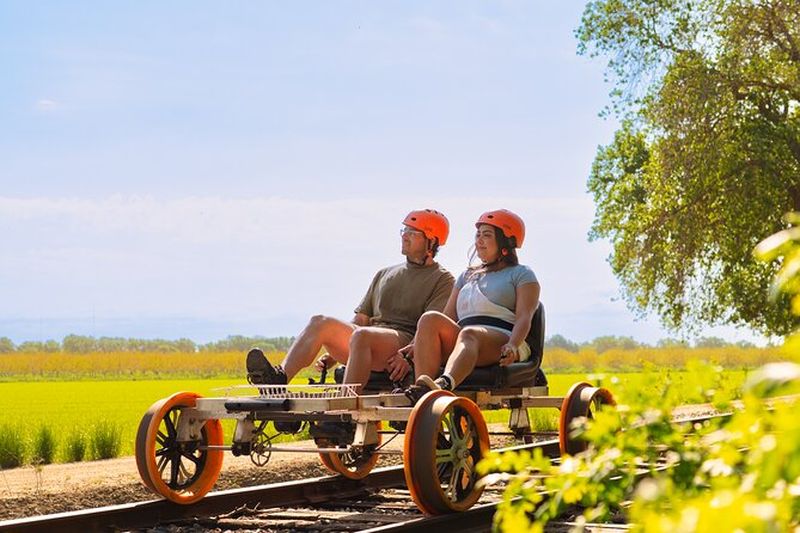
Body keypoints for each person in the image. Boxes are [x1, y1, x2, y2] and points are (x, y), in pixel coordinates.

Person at [246, 209, 455, 400]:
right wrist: (333, 355)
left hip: (401, 343)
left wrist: (408, 356)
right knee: (320, 322)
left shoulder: (442, 279)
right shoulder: (384, 273)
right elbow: (360, 319)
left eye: (413, 232)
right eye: (404, 230)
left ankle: (344, 408)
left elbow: (430, 329)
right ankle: (278, 379)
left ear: (432, 241)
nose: (404, 235)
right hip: (366, 339)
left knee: (362, 335)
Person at [402, 209, 540, 403]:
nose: (479, 240)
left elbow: (524, 316)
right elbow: (448, 316)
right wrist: (416, 344)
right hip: (465, 340)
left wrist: (513, 345)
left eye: (487, 235)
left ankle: (444, 384)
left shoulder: (522, 274)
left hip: (505, 340)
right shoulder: (467, 275)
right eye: (478, 234)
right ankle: (422, 392)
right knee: (430, 318)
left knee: (469, 333)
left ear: (506, 241)